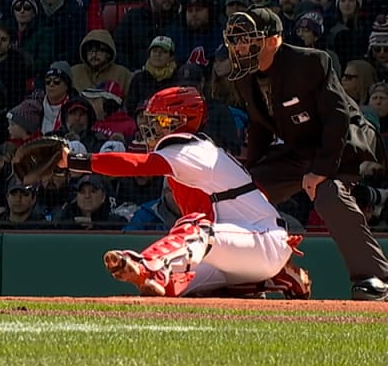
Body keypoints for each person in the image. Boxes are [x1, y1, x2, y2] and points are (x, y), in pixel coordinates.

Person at [50, 86, 310, 297]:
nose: (153, 127)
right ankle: (277, 278)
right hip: (241, 249)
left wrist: (73, 161)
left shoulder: (190, 149)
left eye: (162, 121)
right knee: (176, 284)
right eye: (152, 120)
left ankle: (147, 264)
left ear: (182, 123)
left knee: (197, 227)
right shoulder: (199, 151)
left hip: (262, 240)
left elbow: (137, 165)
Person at [225, 8, 388, 301]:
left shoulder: (312, 61)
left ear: (273, 40)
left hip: (343, 142)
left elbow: (337, 117)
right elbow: (260, 127)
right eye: (235, 40)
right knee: (243, 196)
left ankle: (374, 278)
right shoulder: (244, 75)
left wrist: (321, 170)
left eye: (247, 38)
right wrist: (246, 176)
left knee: (329, 195)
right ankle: (246, 280)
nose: (239, 46)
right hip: (298, 149)